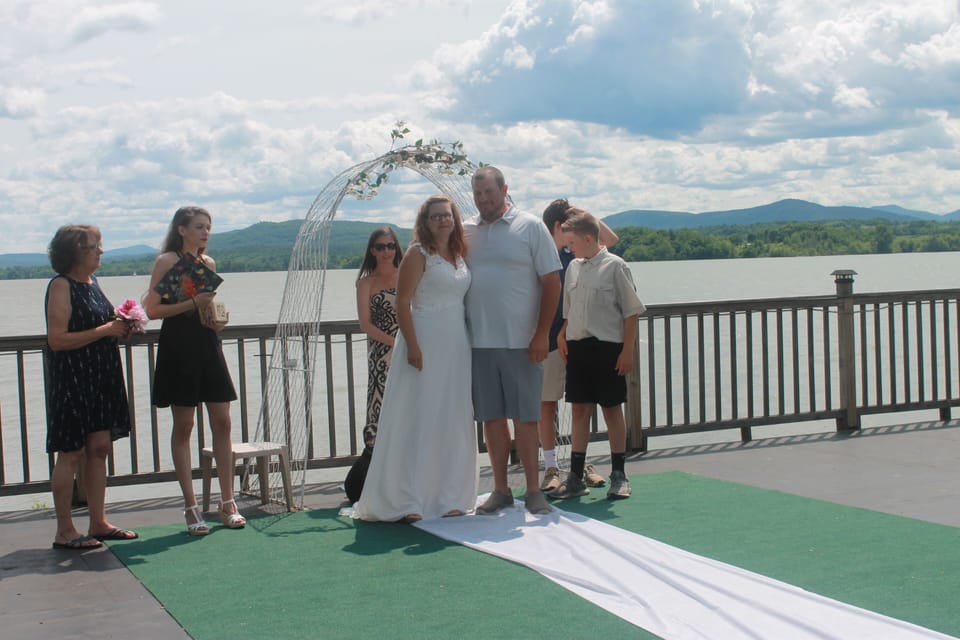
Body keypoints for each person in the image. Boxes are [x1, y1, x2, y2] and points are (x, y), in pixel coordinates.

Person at [351, 195, 477, 522]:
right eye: (436, 216)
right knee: (419, 416)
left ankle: (450, 495)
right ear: (425, 221)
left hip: (456, 342)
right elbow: (402, 302)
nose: (442, 220)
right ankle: (410, 500)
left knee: (451, 417)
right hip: (424, 338)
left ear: (455, 219)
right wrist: (413, 346)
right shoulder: (417, 253)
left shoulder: (459, 253)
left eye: (447, 215)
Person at [464, 167, 562, 515]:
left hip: (523, 342)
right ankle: (501, 489)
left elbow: (552, 282)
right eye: (478, 194)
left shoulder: (530, 226)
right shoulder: (466, 230)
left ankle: (533, 490)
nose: (484, 200)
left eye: (489, 192)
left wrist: (542, 333)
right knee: (491, 419)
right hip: (479, 342)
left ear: (505, 189)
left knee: (526, 418)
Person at [144, 206, 245, 535]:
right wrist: (192, 304)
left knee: (223, 420)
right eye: (199, 227)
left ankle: (228, 502)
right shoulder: (167, 261)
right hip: (178, 345)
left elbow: (206, 308)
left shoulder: (208, 263)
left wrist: (216, 319)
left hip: (206, 343)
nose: (205, 232)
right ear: (182, 229)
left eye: (208, 227)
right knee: (184, 425)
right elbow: (152, 310)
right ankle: (190, 507)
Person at [44, 224, 138, 549]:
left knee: (99, 449)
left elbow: (101, 325)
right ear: (75, 252)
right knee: (71, 452)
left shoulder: (92, 282)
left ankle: (98, 522)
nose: (101, 251)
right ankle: (64, 530)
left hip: (100, 376)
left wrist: (122, 326)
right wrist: (105, 330)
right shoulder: (61, 285)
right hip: (73, 379)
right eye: (94, 246)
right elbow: (57, 340)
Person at [547, 210, 646, 500]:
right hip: (578, 348)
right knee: (579, 409)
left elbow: (631, 313)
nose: (569, 248)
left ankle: (619, 474)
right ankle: (576, 477)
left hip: (607, 347)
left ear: (588, 239)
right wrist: (562, 335)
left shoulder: (616, 266)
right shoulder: (573, 268)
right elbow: (569, 309)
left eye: (572, 243)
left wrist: (627, 351)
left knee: (611, 409)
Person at [538, 199, 620, 492]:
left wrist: (583, 214)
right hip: (548, 341)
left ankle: (579, 465)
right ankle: (551, 467)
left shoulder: (577, 255)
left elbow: (610, 240)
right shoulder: (538, 253)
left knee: (580, 407)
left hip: (577, 341)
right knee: (546, 404)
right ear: (558, 226)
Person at [343, 227, 403, 503]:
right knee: (380, 414)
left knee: (408, 412)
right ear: (372, 250)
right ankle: (379, 481)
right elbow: (365, 324)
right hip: (382, 357)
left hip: (410, 353)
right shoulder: (365, 283)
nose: (386, 251)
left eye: (390, 245)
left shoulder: (407, 275)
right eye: (380, 246)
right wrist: (395, 343)